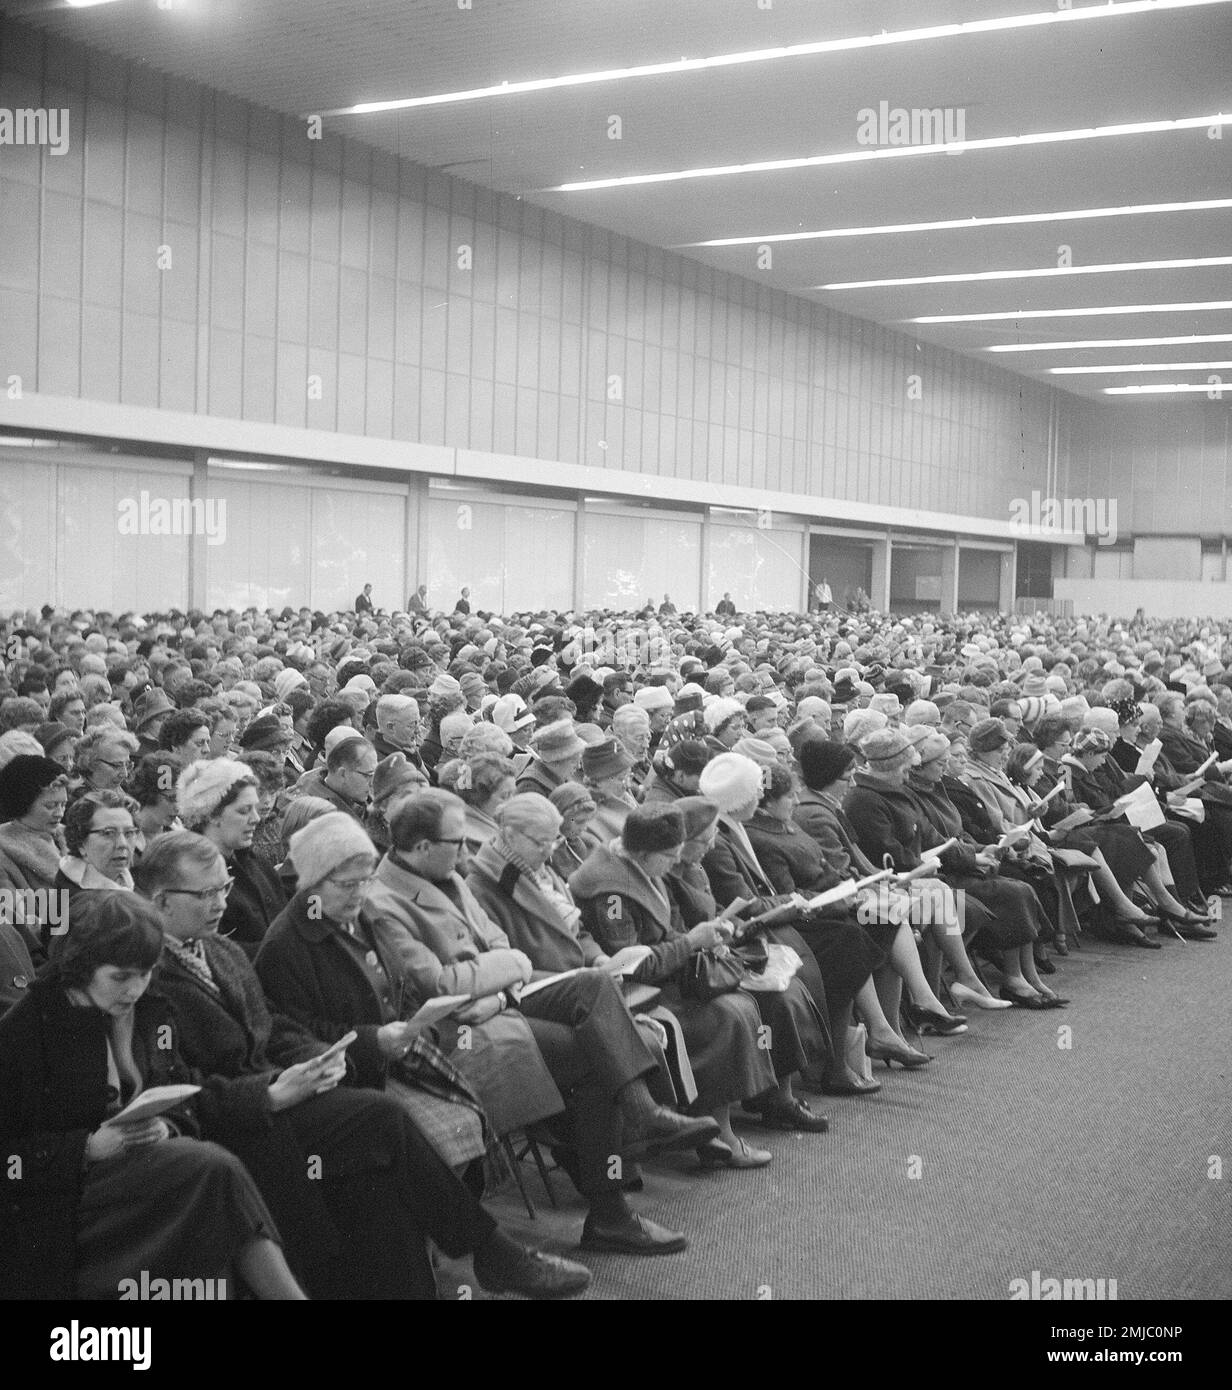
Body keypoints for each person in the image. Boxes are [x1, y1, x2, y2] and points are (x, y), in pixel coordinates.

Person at [135, 831, 591, 1300]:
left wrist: (318, 1059)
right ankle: (494, 1252)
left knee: (379, 1190)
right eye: (207, 893)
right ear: (160, 900)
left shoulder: (220, 949)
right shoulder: (143, 974)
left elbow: (272, 1024)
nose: (220, 903)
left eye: (225, 888)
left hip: (283, 1098)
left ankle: (474, 1265)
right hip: (240, 1123)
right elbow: (175, 1085)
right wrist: (270, 1092)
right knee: (381, 1116)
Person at [362, 787, 717, 1255]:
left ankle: (636, 1131)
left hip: (499, 1002)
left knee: (594, 988)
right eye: (458, 842)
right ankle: (614, 1199)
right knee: (593, 1056)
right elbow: (443, 985)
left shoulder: (448, 876)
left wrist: (502, 972)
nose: (469, 851)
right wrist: (506, 970)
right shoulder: (386, 900)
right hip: (458, 1032)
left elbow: (496, 942)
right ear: (423, 846)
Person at [0, 891, 308, 1300]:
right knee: (212, 1170)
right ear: (79, 966)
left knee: (210, 1176)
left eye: (145, 974)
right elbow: (10, 1161)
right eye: (121, 977)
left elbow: (180, 1095)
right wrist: (85, 1149)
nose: (135, 989)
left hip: (144, 1170)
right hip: (63, 1204)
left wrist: (165, 1124)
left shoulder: (150, 1010)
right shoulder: (23, 1034)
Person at [574, 803, 832, 1163]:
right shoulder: (612, 895)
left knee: (766, 993)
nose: (676, 861)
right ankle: (719, 1134)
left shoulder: (640, 869)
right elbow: (632, 964)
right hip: (637, 992)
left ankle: (735, 1119)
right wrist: (692, 942)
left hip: (670, 974)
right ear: (646, 853)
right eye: (670, 854)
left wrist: (702, 937)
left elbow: (668, 930)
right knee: (729, 1013)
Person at [255, 814, 491, 1174]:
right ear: (312, 883)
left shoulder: (367, 913)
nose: (360, 892)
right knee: (443, 1140)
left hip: (402, 1057)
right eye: (347, 884)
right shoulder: (285, 946)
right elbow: (296, 1033)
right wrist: (373, 1041)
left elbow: (404, 987)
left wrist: (417, 1029)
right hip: (356, 1076)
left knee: (468, 1120)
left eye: (366, 880)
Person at [176, 759, 287, 958]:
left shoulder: (257, 863)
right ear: (212, 814)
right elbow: (210, 952)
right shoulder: (189, 875)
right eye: (244, 810)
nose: (256, 818)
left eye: (254, 808)